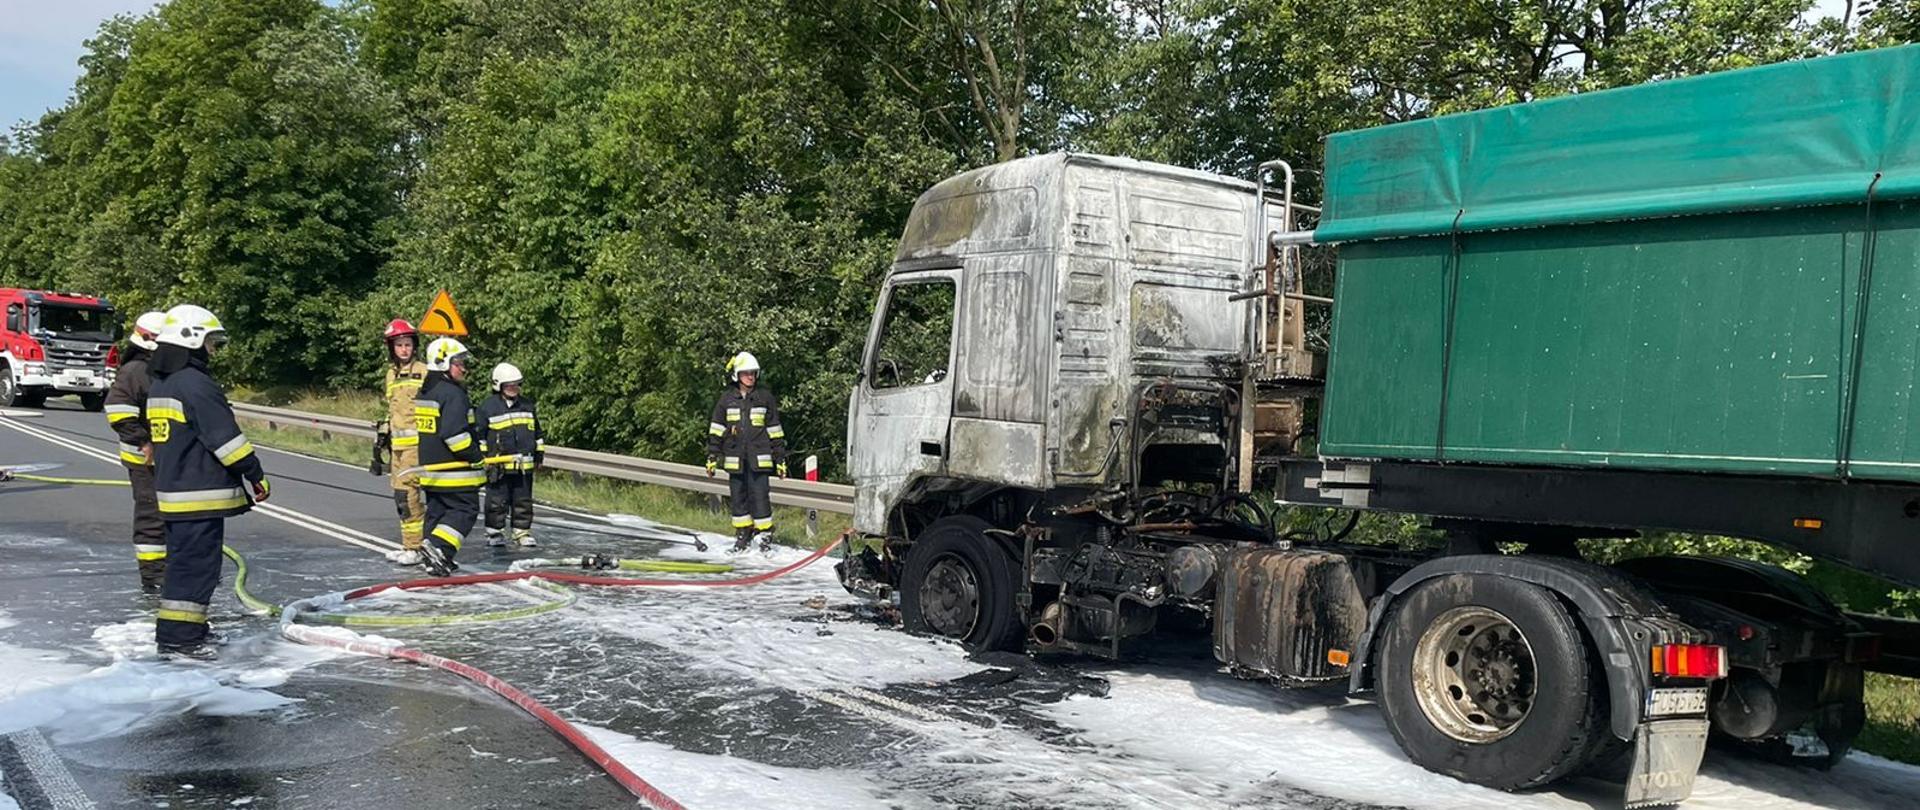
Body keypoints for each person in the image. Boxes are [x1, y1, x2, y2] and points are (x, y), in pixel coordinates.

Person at [147, 304, 269, 659]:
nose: (213, 351)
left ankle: (185, 633)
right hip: (198, 496)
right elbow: (226, 441)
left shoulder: (163, 383)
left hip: (175, 494)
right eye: (210, 343)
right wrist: (255, 473)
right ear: (192, 339)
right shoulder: (195, 384)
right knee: (196, 570)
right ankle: (181, 640)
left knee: (182, 568)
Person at [105, 310, 170, 593]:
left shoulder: (157, 368)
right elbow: (118, 411)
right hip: (144, 459)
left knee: (170, 515)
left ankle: (172, 569)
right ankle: (153, 576)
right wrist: (143, 442)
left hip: (165, 458)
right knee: (151, 516)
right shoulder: (135, 371)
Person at [704, 351, 787, 553]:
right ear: (737, 375)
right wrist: (712, 457)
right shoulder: (726, 400)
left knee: (760, 497)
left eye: (753, 373)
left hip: (759, 458)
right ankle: (743, 535)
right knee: (738, 498)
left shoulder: (764, 398)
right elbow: (716, 429)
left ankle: (764, 536)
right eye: (746, 373)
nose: (750, 377)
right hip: (735, 459)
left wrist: (780, 459)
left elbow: (775, 430)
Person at [416, 337, 484, 576]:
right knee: (464, 510)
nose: (464, 368)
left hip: (432, 470)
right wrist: (476, 455)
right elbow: (454, 436)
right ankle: (439, 548)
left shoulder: (427, 391)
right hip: (454, 470)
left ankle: (434, 558)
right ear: (443, 363)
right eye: (459, 363)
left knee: (437, 511)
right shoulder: (453, 394)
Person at [378, 319, 430, 566]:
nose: (404, 349)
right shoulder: (391, 374)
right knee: (400, 497)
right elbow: (393, 410)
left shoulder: (424, 371)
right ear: (392, 348)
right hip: (397, 448)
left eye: (407, 344)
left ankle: (415, 548)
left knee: (408, 495)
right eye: (399, 345)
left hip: (416, 447)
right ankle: (408, 544)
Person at [477, 362, 543, 548]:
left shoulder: (527, 405)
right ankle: (494, 532)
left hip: (523, 466)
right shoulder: (487, 407)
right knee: (496, 501)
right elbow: (480, 436)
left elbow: (537, 433)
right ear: (499, 385)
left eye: (517, 385)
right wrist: (485, 459)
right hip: (499, 466)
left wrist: (539, 455)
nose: (514, 388)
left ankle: (521, 532)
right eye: (509, 385)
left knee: (523, 501)